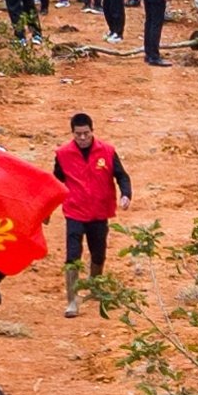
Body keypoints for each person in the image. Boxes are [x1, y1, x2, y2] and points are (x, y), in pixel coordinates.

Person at [52, 115, 129, 289]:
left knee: (98, 253)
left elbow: (121, 176)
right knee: (73, 255)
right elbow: (57, 182)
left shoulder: (107, 151)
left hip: (99, 211)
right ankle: (72, 298)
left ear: (92, 131)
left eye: (86, 133)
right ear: (72, 133)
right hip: (75, 211)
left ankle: (95, 285)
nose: (82, 138)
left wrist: (126, 194)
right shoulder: (63, 154)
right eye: (78, 134)